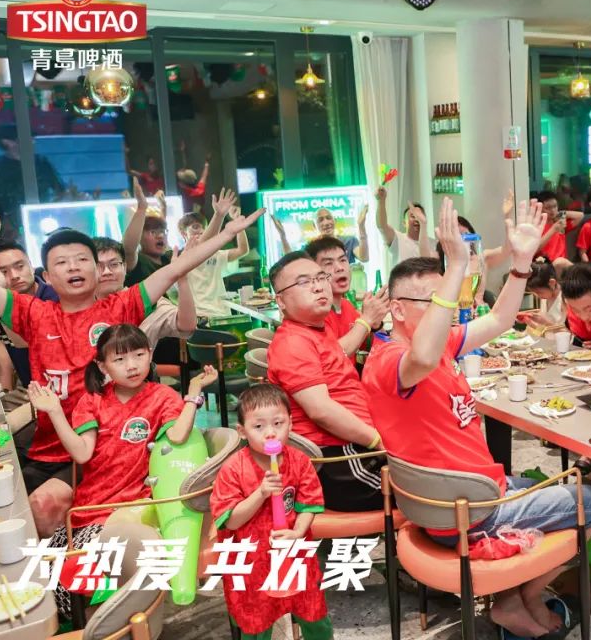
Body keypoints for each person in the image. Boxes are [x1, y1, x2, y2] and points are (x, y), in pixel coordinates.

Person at [363, 198, 591, 638]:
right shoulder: (389, 361)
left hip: (475, 491)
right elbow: (420, 359)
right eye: (433, 300)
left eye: (447, 296)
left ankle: (511, 598)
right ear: (397, 309)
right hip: (466, 510)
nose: (445, 306)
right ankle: (522, 599)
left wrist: (520, 264)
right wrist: (455, 264)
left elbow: (498, 318)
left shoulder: (438, 343)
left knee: (533, 482)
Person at [0, 207, 261, 536]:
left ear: (97, 269)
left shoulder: (123, 304)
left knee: (46, 507)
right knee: (6, 504)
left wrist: (227, 233)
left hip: (115, 447)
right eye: (61, 263)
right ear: (45, 276)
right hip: (55, 447)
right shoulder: (32, 312)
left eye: (82, 259)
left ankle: (84, 560)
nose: (73, 267)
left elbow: (177, 267)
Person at [25, 324, 209, 619]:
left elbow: (177, 435)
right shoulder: (92, 400)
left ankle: (122, 621)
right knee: (56, 580)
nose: (131, 366)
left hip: (133, 506)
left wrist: (193, 395)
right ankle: (96, 623)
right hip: (89, 510)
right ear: (102, 366)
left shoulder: (162, 396)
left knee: (96, 567)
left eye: (138, 355)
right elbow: (82, 453)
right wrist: (55, 411)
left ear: (150, 354)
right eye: (119, 359)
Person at [210, 384, 332, 640]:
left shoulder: (299, 461)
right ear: (242, 431)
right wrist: (261, 493)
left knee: (314, 615)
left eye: (278, 423)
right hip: (252, 563)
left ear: (291, 424)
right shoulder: (233, 469)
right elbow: (231, 521)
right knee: (257, 624)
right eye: (258, 426)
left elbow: (308, 504)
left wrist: (297, 532)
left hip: (296, 555)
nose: (270, 433)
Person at [266, 251, 385, 511]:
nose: (318, 286)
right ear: (281, 301)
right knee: (426, 487)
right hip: (336, 461)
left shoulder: (317, 330)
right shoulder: (292, 342)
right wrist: (379, 441)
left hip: (353, 448)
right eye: (303, 282)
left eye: (320, 278)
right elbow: (321, 410)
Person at [0, 241, 58, 388]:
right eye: (4, 272)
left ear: (31, 266)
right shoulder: (0, 303)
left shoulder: (54, 298)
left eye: (20, 266)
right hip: (32, 389)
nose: (14, 276)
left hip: (57, 391)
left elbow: (30, 345)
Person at [92, 237, 197, 354]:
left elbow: (186, 325)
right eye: (99, 266)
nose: (107, 272)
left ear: (125, 267)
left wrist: (182, 278)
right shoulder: (81, 307)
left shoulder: (145, 298)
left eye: (114, 264)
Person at [0, 124, 64, 240]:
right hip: (5, 230)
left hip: (41, 224)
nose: (33, 142)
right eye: (28, 138)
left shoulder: (42, 163)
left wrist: (53, 212)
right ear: (7, 142)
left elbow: (61, 192)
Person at [305, 236, 389, 360]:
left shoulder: (347, 306)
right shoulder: (314, 315)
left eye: (343, 260)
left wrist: (376, 325)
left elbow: (369, 346)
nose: (340, 268)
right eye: (328, 263)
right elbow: (331, 357)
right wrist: (366, 319)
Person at [178, 188, 249, 319]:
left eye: (203, 227)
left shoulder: (215, 254)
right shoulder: (180, 259)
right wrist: (219, 215)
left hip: (223, 315)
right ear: (183, 233)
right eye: (195, 227)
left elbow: (242, 250)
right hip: (200, 317)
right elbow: (201, 245)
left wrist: (238, 222)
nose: (201, 231)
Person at [374, 185, 433, 265]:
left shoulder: (434, 244)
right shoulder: (397, 239)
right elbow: (382, 226)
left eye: (420, 216)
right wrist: (381, 201)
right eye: (413, 216)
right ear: (404, 223)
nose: (417, 219)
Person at [535, 191, 584, 267]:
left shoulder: (560, 222)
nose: (552, 210)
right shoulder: (538, 226)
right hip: (546, 265)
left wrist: (561, 213)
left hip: (562, 263)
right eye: (548, 208)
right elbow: (535, 249)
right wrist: (554, 229)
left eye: (555, 206)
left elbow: (580, 216)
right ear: (540, 209)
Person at [521, 259, 565, 328]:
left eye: (539, 292)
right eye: (535, 293)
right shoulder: (546, 295)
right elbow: (545, 316)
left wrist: (546, 323)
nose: (538, 296)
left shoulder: (565, 299)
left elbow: (569, 331)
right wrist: (529, 318)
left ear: (552, 283)